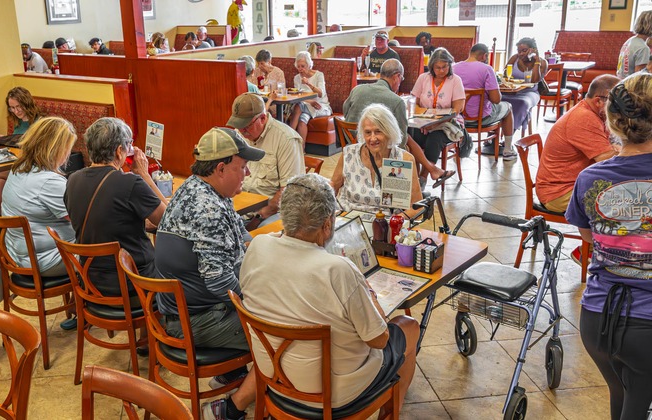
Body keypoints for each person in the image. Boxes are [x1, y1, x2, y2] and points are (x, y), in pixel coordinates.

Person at [240, 173, 420, 409]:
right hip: (331, 393)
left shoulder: (258, 246)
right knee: (408, 326)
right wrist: (369, 293)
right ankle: (392, 407)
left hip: (273, 377)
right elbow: (379, 339)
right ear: (327, 224)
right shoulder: (338, 270)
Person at [154, 127, 264, 420]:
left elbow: (242, 236)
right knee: (282, 337)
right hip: (193, 321)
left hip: (192, 308)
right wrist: (262, 304)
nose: (248, 174)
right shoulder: (207, 208)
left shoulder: (203, 188)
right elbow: (219, 283)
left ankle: (231, 374)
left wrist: (265, 256)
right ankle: (229, 409)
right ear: (220, 168)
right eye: (243, 167)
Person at [566, 73, 652, 420]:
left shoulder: (589, 178)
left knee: (621, 391)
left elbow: (588, 238)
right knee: (637, 400)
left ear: (612, 119)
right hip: (647, 322)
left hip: (596, 319)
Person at [65, 117, 167, 290]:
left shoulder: (73, 179)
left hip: (91, 280)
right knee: (180, 268)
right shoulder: (131, 183)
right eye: (129, 145)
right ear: (120, 151)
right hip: (133, 281)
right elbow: (169, 221)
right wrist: (144, 175)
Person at [343, 59, 454, 188]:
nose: (400, 83)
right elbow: (400, 140)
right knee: (407, 145)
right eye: (401, 79)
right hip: (377, 149)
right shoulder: (396, 101)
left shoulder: (357, 90)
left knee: (407, 138)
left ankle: (431, 171)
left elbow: (346, 113)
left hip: (352, 144)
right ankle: (417, 185)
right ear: (397, 76)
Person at [1, 117, 76, 278]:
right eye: (68, 148)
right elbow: (82, 219)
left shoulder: (18, 168)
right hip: (44, 259)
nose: (68, 154)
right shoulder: (49, 181)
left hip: (17, 253)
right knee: (112, 252)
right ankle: (97, 301)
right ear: (56, 149)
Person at [536, 75, 620, 213]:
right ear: (599, 101)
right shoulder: (584, 118)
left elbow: (612, 146)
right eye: (616, 104)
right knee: (629, 200)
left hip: (570, 186)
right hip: (559, 194)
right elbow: (607, 161)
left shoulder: (594, 113)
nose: (620, 110)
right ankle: (596, 235)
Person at [226, 93, 305, 222]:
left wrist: (259, 216)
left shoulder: (286, 139)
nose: (242, 131)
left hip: (271, 211)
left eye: (246, 126)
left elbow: (290, 190)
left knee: (260, 238)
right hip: (242, 206)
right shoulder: (238, 134)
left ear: (262, 118)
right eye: (239, 126)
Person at [332, 104, 423, 213]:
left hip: (384, 224)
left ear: (389, 131)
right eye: (368, 132)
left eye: (378, 131)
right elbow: (332, 189)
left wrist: (396, 223)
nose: (372, 138)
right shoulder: (349, 154)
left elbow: (417, 206)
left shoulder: (402, 160)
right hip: (349, 220)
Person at [409, 48, 466, 183]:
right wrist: (424, 120)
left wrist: (437, 122)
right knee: (409, 135)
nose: (441, 70)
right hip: (423, 122)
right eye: (437, 67)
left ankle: (422, 178)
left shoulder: (455, 80)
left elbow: (458, 108)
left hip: (447, 124)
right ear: (432, 66)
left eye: (444, 67)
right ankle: (413, 176)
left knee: (433, 140)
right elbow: (414, 103)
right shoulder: (423, 78)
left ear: (450, 65)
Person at [455, 43, 516, 160]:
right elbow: (496, 100)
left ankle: (487, 142)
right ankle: (508, 150)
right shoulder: (487, 69)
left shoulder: (454, 68)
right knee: (507, 107)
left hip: (458, 118)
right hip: (480, 118)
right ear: (484, 56)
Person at [502, 37, 547, 138]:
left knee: (522, 103)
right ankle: (492, 135)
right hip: (512, 91)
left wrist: (537, 61)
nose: (521, 53)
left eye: (524, 50)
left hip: (530, 92)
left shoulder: (542, 63)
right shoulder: (514, 58)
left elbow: (535, 80)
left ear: (533, 50)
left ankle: (508, 137)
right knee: (495, 99)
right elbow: (505, 75)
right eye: (519, 51)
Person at [288, 51, 332, 143]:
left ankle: (289, 138)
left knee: (298, 106)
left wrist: (308, 83)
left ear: (309, 65)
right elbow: (298, 95)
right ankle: (301, 149)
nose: (300, 69)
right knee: (302, 120)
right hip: (307, 105)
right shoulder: (297, 77)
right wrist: (310, 102)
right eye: (298, 66)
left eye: (303, 66)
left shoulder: (319, 75)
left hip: (321, 105)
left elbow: (321, 94)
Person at [617, 11, 652, 78]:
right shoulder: (643, 48)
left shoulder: (630, 40)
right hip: (630, 85)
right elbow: (640, 77)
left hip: (620, 80)